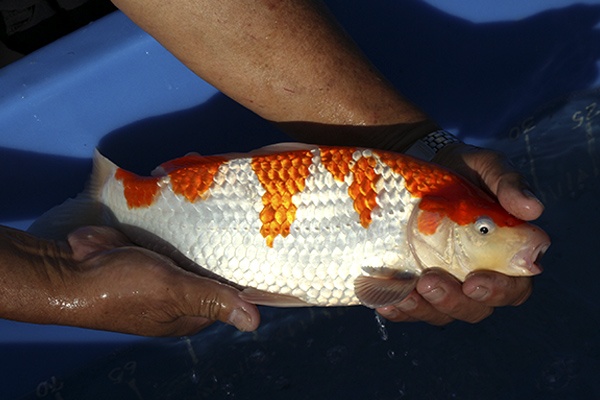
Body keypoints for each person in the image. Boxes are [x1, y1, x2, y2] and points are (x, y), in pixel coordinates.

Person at [0, 0, 544, 336]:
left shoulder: (426, 197)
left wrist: (407, 142)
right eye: (481, 230)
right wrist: (54, 284)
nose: (498, 235)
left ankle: (123, 198)